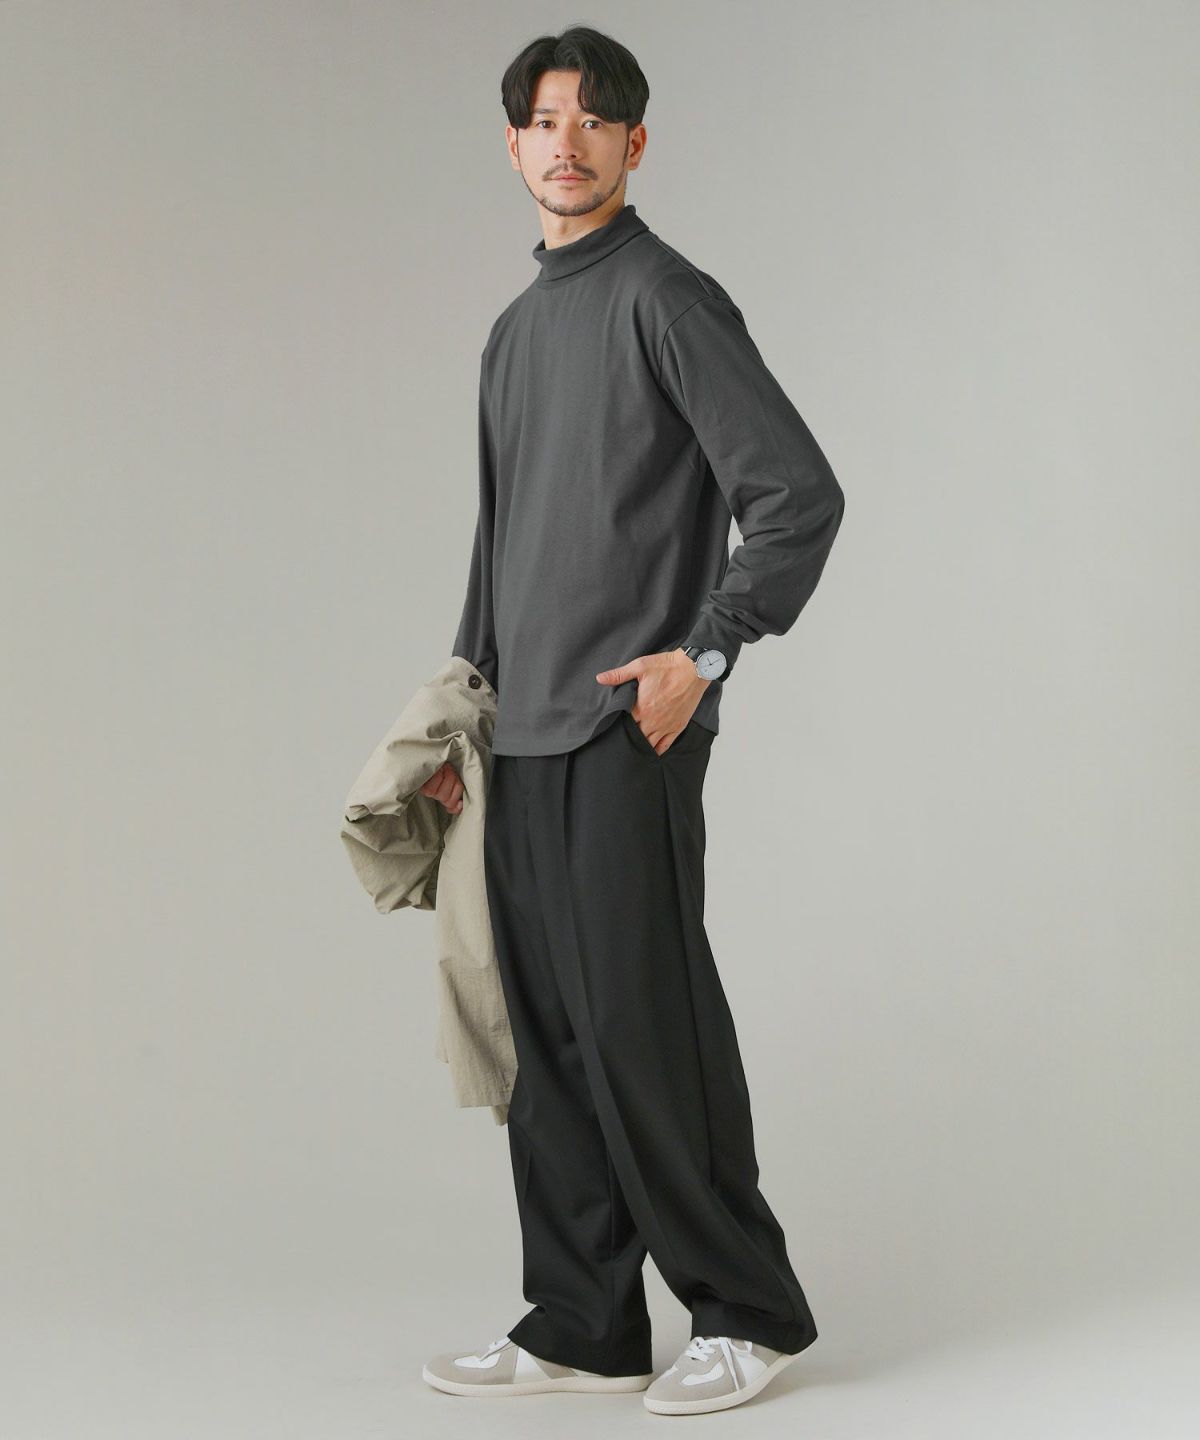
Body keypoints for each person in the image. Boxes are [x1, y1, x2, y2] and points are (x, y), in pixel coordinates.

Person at [419, 24, 845, 1417]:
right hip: (517, 742)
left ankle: (748, 1312)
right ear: (513, 145)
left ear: (635, 144)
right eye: (545, 121)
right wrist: (461, 722)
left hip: (622, 732)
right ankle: (583, 1320)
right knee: (546, 1044)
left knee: (646, 1031)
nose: (568, 142)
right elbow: (500, 547)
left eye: (595, 121)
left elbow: (795, 495)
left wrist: (702, 657)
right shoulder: (512, 333)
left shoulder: (667, 298)